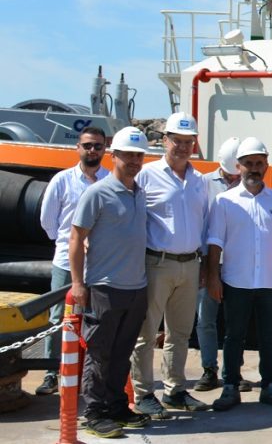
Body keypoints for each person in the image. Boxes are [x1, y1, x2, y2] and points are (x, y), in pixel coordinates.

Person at [206, 137, 272, 411]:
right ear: (239, 166)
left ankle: (270, 387)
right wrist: (213, 277)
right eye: (248, 163)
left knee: (269, 336)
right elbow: (215, 242)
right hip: (236, 281)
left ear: (266, 165)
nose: (254, 168)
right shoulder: (224, 201)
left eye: (259, 163)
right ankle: (230, 387)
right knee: (234, 336)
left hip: (270, 281)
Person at [70, 126, 151, 438]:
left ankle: (116, 406)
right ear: (113, 155)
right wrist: (78, 284)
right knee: (99, 354)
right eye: (128, 155)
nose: (134, 161)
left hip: (135, 288)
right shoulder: (97, 193)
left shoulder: (139, 193)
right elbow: (76, 239)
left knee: (121, 353)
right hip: (105, 287)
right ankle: (94, 412)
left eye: (138, 155)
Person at [130, 112, 210, 417]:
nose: (183, 147)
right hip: (156, 263)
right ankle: (143, 392)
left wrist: (204, 264)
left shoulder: (199, 181)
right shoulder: (146, 175)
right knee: (146, 332)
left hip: (190, 264)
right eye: (178, 140)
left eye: (189, 142)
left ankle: (174, 390)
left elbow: (204, 224)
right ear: (165, 141)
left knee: (180, 332)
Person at [36, 126, 110, 396]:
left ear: (105, 149)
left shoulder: (110, 181)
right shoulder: (62, 181)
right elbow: (48, 222)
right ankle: (52, 372)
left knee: (95, 318)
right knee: (59, 316)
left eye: (98, 146)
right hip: (66, 263)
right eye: (87, 145)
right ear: (78, 147)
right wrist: (71, 244)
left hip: (98, 265)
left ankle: (87, 373)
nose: (92, 150)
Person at [194, 137, 243, 393]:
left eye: (237, 175)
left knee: (237, 320)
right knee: (206, 318)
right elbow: (199, 223)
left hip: (237, 262)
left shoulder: (248, 183)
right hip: (209, 261)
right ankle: (209, 369)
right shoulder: (203, 183)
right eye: (230, 174)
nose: (234, 178)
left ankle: (233, 371)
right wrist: (204, 264)